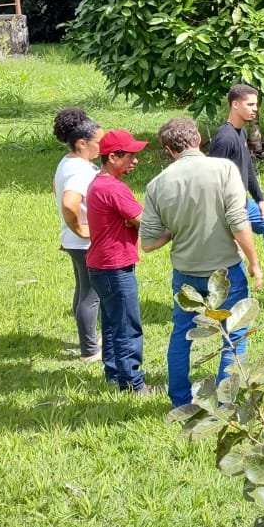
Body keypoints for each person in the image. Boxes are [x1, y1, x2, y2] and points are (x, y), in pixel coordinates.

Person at [140, 116, 263, 408]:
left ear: (169, 150)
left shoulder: (157, 184)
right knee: (234, 336)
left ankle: (180, 401)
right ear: (198, 139)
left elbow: (148, 243)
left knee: (182, 336)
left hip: (185, 272)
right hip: (225, 272)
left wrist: (176, 229)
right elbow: (237, 220)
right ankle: (225, 402)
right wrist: (254, 261)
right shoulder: (223, 169)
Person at [85, 129, 150, 394]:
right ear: (113, 157)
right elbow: (145, 221)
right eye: (131, 156)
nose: (135, 161)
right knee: (127, 327)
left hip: (99, 265)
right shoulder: (114, 188)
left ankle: (114, 376)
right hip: (115, 266)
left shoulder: (98, 183)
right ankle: (133, 385)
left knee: (112, 324)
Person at [208, 83, 264, 300]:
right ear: (235, 105)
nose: (255, 109)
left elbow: (247, 168)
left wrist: (260, 199)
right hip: (228, 208)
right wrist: (226, 220)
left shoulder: (240, 131)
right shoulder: (224, 139)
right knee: (234, 253)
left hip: (245, 203)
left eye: (256, 105)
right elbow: (213, 180)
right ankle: (231, 296)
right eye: (250, 104)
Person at [52, 107, 102, 362]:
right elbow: (70, 202)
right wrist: (81, 229)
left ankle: (88, 340)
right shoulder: (80, 170)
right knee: (91, 295)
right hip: (83, 242)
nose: (101, 148)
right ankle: (90, 350)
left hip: (74, 240)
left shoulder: (68, 162)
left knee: (83, 290)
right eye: (98, 143)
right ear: (82, 143)